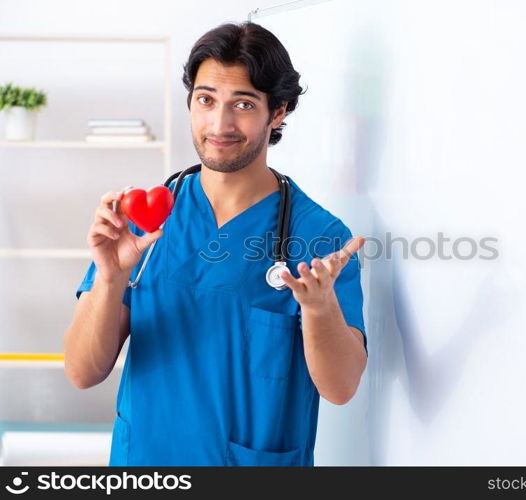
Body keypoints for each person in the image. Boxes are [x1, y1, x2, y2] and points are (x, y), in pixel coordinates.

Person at [62, 21, 368, 466]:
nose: (219, 124)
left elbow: (340, 389)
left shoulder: (318, 236)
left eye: (243, 104)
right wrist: (110, 277)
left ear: (278, 111)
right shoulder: (144, 222)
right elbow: (81, 371)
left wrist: (319, 310)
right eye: (206, 100)